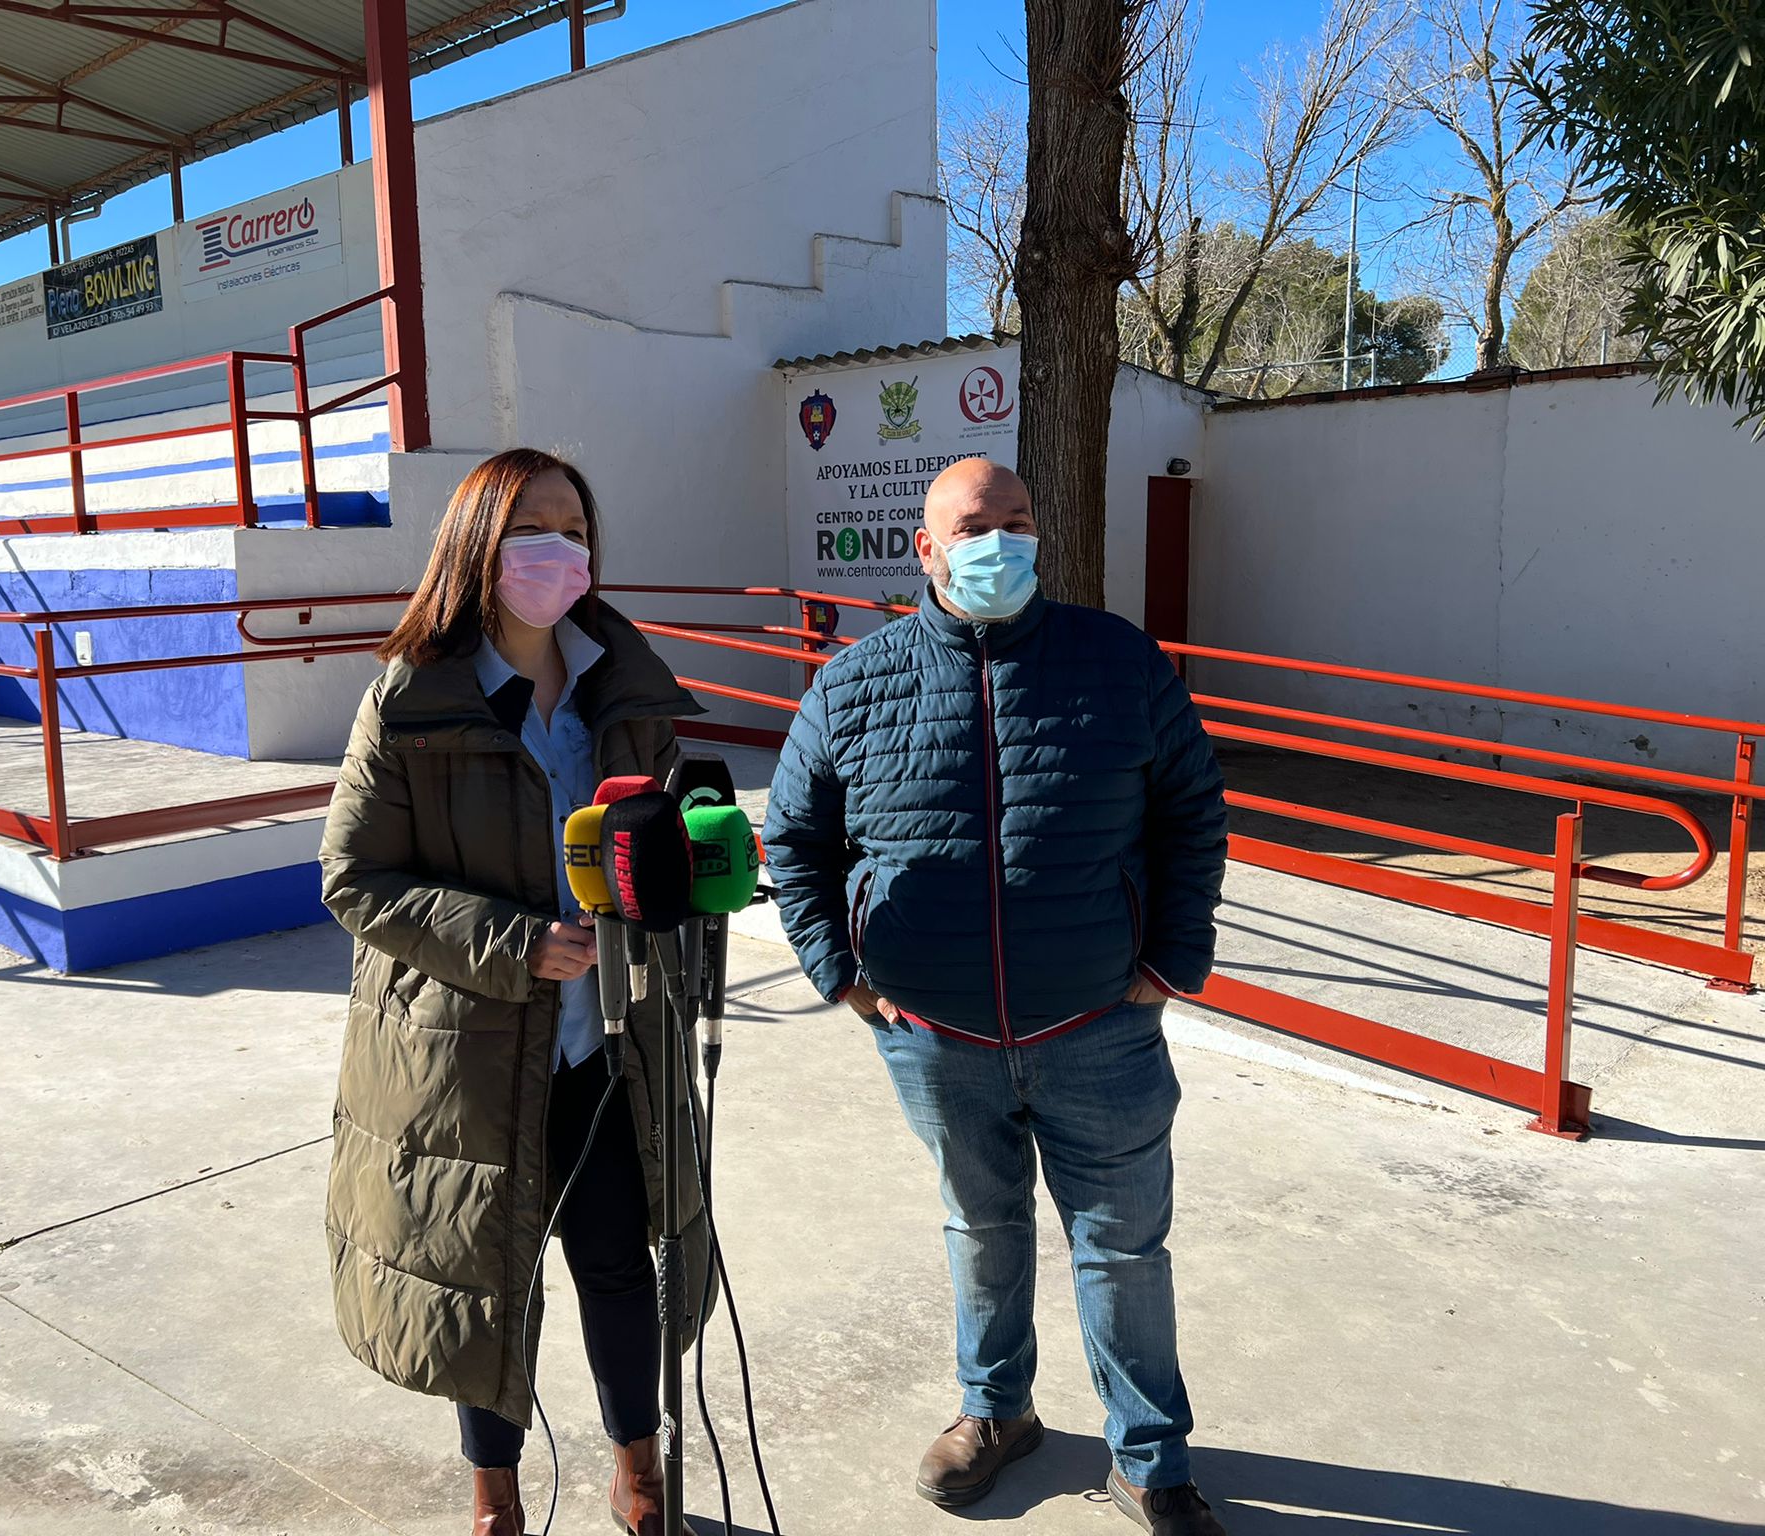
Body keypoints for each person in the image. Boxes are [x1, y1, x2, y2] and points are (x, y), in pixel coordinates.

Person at [763, 458, 1232, 1536]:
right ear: (924, 549)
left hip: (1097, 1026)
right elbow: (792, 836)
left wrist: (1169, 960)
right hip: (933, 1033)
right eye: (974, 525)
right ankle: (995, 1411)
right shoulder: (853, 680)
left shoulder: (1118, 662)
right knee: (979, 1226)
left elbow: (1189, 812)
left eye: (1017, 520)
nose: (1000, 541)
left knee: (1119, 1247)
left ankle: (1150, 1459)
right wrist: (837, 972)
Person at [319, 448, 708, 1536]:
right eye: (532, 525)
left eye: (575, 529)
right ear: (475, 543)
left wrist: (692, 869)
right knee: (485, 1279)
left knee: (619, 1269)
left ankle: (638, 1477)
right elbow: (352, 880)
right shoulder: (409, 696)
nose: (558, 547)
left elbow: (662, 833)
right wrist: (507, 942)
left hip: (609, 1042)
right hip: (467, 1053)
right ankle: (493, 1498)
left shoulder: (623, 688)